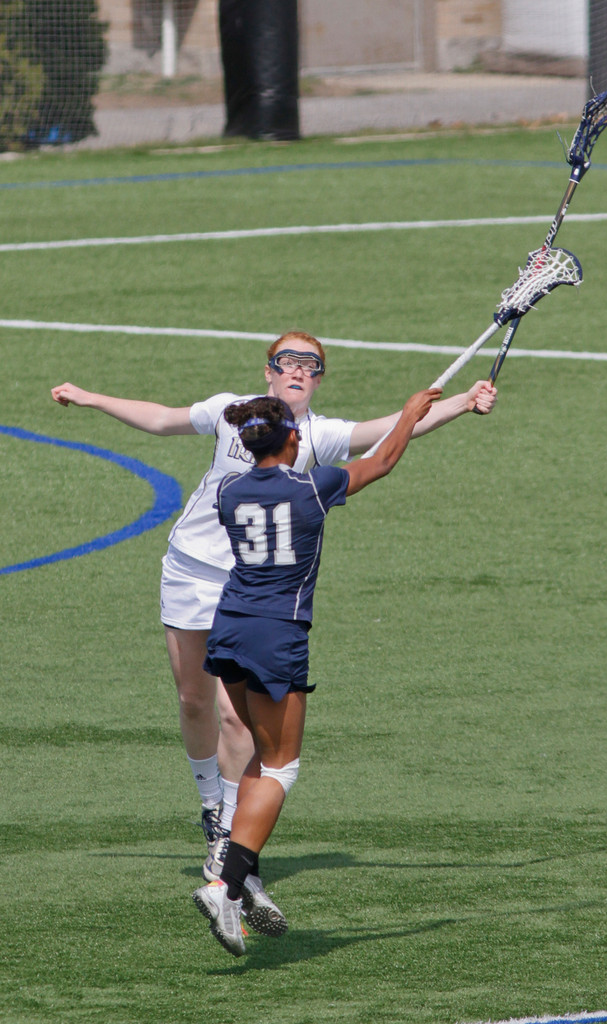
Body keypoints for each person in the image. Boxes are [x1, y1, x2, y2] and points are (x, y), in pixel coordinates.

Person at [51, 329, 497, 933]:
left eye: (312, 364)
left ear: (318, 379)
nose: (299, 369)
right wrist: (91, 397)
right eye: (287, 360)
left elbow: (391, 427)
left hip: (244, 588)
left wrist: (461, 401)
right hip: (200, 575)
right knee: (193, 699)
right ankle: (214, 809)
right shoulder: (237, 417)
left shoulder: (314, 437)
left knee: (236, 719)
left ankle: (230, 845)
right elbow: (162, 419)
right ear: (268, 372)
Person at [192, 388, 440, 956]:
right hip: (277, 635)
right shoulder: (313, 486)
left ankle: (236, 876)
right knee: (282, 766)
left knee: (260, 755)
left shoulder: (228, 491)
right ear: (290, 439)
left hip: (229, 626)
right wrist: (407, 416)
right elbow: (381, 461)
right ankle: (226, 887)